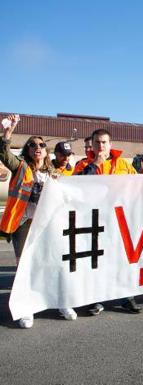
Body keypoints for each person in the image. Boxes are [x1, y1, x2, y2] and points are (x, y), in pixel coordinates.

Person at [0, 114, 77, 328]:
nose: (38, 147)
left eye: (41, 144)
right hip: (24, 224)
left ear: (46, 150)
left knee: (55, 264)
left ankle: (61, 302)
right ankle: (27, 307)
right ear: (27, 150)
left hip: (49, 224)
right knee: (25, 267)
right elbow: (3, 153)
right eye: (33, 144)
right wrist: (8, 132)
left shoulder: (54, 172)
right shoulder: (21, 167)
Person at [75, 129, 141, 314]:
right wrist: (95, 164)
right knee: (96, 261)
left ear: (110, 144)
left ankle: (127, 297)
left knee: (123, 259)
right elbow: (76, 186)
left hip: (119, 219)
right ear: (92, 144)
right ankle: (95, 300)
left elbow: (139, 185)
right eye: (97, 142)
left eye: (104, 142)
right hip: (94, 219)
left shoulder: (123, 164)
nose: (101, 146)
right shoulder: (83, 165)